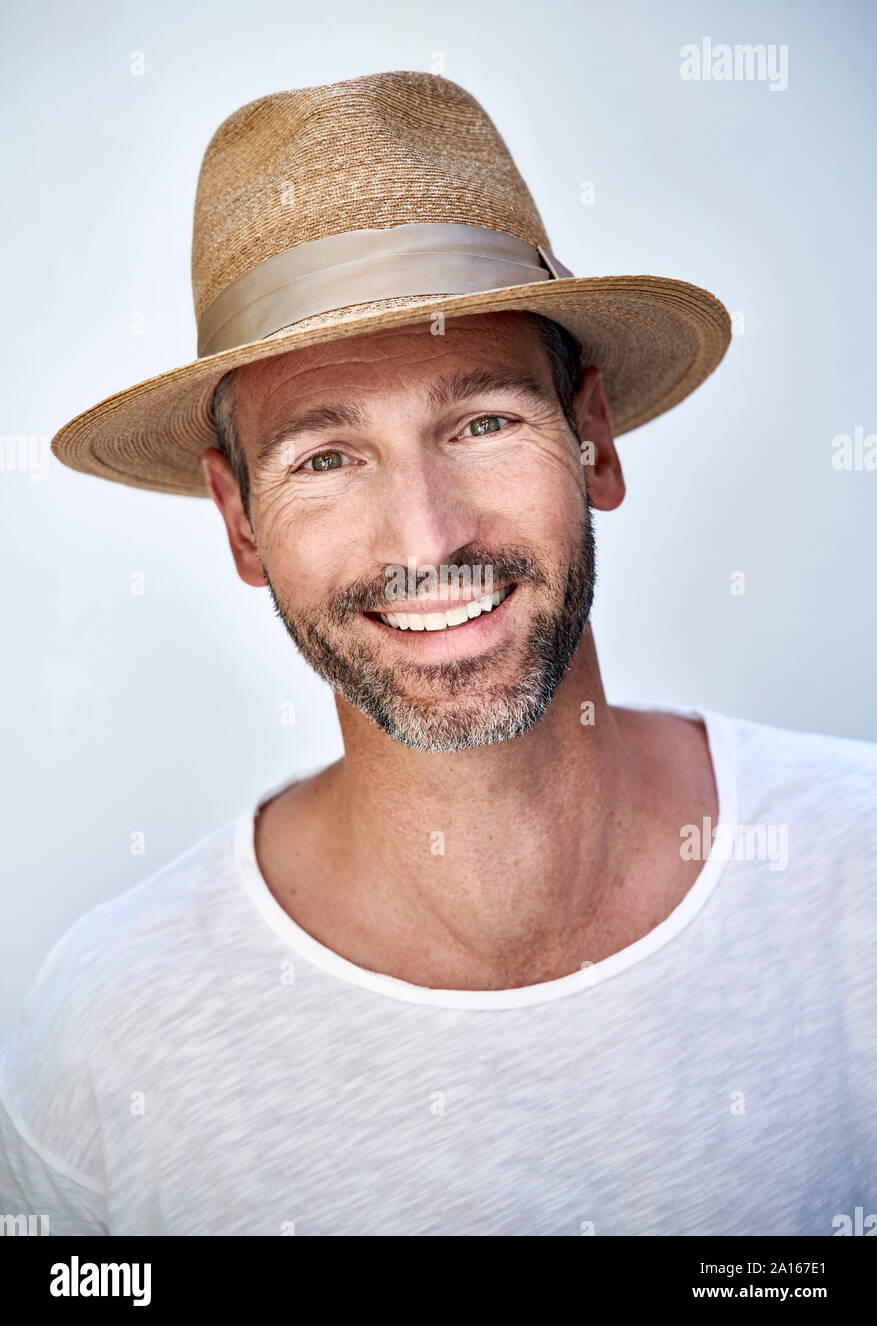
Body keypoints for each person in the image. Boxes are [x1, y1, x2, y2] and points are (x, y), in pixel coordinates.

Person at [1, 71, 874, 1237]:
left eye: (483, 423)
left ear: (594, 440)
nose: (428, 540)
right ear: (240, 522)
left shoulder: (854, 871)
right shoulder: (112, 1026)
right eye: (324, 458)